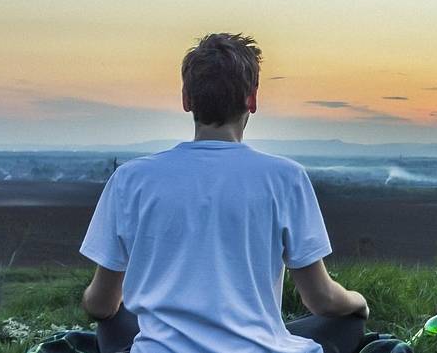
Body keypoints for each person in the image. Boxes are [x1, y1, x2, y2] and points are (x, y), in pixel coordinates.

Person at [79, 33, 369, 353]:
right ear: (252, 100)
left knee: (115, 319)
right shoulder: (286, 178)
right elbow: (322, 300)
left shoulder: (130, 180)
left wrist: (109, 302)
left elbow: (101, 304)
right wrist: (358, 301)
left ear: (187, 99)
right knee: (348, 319)